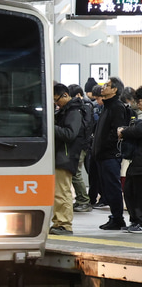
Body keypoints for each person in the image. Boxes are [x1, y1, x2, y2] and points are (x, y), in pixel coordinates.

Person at [93, 76, 130, 230]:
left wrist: (105, 147)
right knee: (107, 188)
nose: (103, 87)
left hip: (110, 155)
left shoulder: (117, 107)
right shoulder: (107, 106)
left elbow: (116, 132)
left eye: (107, 85)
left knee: (113, 188)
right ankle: (114, 217)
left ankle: (118, 219)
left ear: (114, 89)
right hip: (102, 155)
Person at [51, 83, 83, 235]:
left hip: (66, 156)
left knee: (62, 191)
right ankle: (59, 222)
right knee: (59, 191)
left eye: (57, 100)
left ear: (65, 95)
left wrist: (51, 126)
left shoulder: (74, 111)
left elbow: (70, 134)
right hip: (62, 155)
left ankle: (64, 224)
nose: (56, 104)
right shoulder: (65, 110)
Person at [67, 84, 93, 211]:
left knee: (76, 173)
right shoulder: (84, 107)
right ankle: (80, 199)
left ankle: (84, 201)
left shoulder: (85, 108)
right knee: (74, 172)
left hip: (81, 145)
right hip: (80, 144)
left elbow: (84, 128)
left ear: (78, 95)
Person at [120, 90, 142, 233]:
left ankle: (140, 221)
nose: (139, 103)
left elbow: (139, 130)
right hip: (136, 159)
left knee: (138, 193)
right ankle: (135, 220)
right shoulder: (138, 115)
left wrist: (125, 131)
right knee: (130, 190)